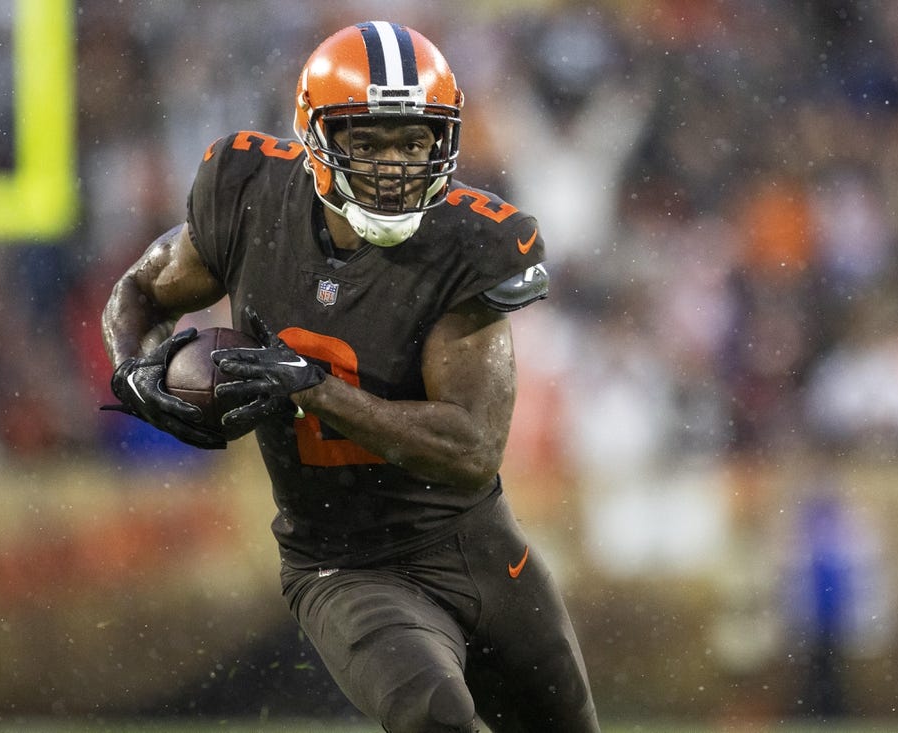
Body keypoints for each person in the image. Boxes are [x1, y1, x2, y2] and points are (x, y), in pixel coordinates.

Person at [101, 20, 600, 733]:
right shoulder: (248, 197)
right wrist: (134, 369)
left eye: (413, 140)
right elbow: (139, 292)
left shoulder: (472, 242)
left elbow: (470, 449)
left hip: (472, 541)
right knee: (436, 714)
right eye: (367, 142)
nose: (394, 165)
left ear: (445, 141)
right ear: (315, 138)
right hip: (343, 564)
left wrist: (310, 388)